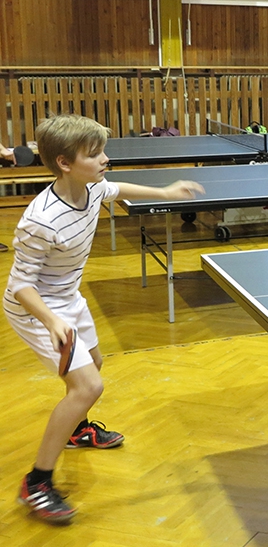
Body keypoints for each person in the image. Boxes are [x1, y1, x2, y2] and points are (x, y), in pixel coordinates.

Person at [4, 114, 205, 523]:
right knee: (87, 387)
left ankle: (78, 431)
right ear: (65, 163)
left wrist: (165, 191)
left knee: (93, 363)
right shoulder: (40, 219)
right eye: (94, 154)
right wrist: (51, 321)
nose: (104, 160)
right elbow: (21, 285)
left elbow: (117, 189)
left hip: (68, 297)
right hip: (36, 309)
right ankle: (37, 482)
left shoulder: (92, 187)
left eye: (102, 152)